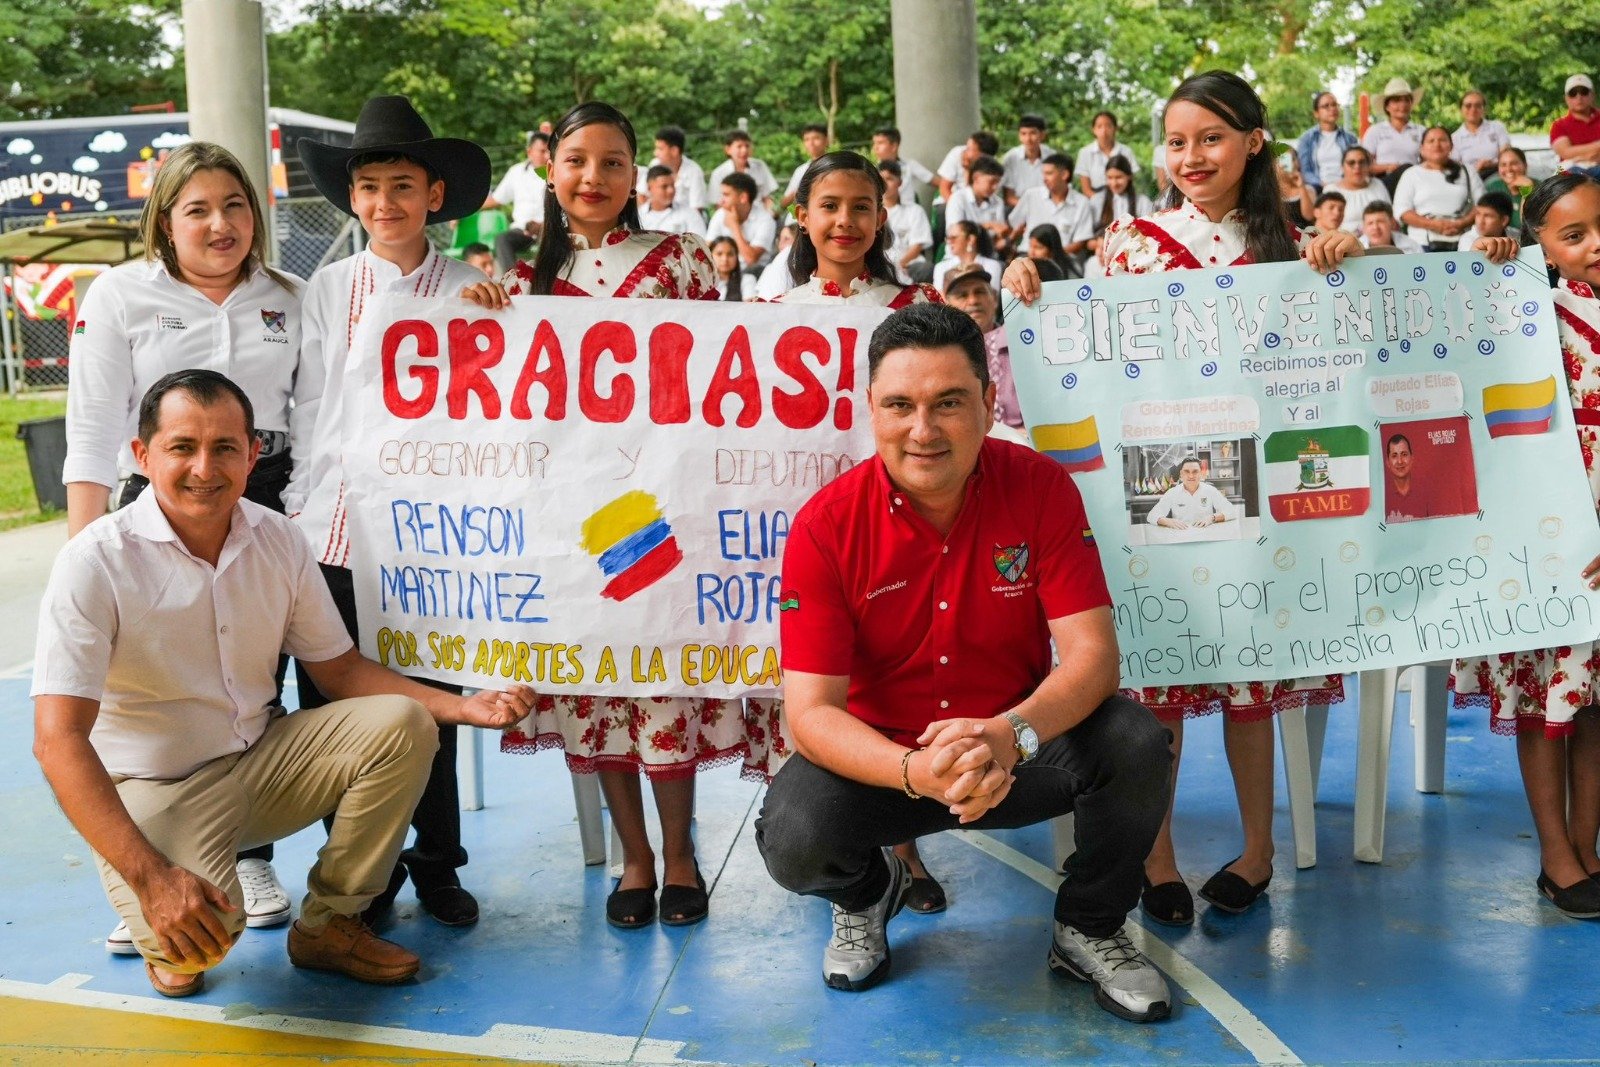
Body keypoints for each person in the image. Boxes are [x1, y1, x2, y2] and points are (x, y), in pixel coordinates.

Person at [32, 369, 533, 997]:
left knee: (404, 724)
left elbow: (340, 671)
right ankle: (158, 901)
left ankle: (329, 925)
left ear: (253, 455)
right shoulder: (95, 560)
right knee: (199, 948)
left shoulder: (279, 537)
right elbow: (57, 740)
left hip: (261, 761)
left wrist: (465, 707)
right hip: (155, 786)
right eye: (182, 447)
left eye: (224, 447)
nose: (204, 468)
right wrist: (152, 878)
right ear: (142, 454)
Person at [1006, 70, 1362, 928]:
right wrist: (1027, 280)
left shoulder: (1291, 247)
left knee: (1249, 681)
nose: (1192, 156)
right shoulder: (1130, 243)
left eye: (1211, 138)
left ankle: (1257, 851)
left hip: (1262, 493)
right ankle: (1156, 857)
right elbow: (1083, 343)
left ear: (1253, 142)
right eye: (1176, 141)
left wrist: (1349, 258)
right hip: (1158, 482)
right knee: (1159, 680)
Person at [755, 301, 1172, 1021]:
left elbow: (1094, 656)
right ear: (872, 409)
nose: (923, 429)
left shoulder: (1040, 486)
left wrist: (1009, 734)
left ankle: (1090, 926)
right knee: (792, 835)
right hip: (888, 765)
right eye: (900, 405)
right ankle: (868, 893)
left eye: (948, 403)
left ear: (987, 400)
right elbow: (811, 713)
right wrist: (915, 770)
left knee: (1136, 742)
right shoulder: (825, 526)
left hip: (1018, 749)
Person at [461, 102, 743, 930]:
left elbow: (725, 374)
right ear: (549, 169)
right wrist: (477, 318)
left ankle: (681, 853)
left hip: (664, 509)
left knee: (661, 680)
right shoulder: (522, 285)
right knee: (595, 687)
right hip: (569, 524)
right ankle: (636, 857)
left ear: (637, 174)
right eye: (577, 160)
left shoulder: (682, 261)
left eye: (612, 161)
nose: (593, 177)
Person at [62, 139, 310, 949]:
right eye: (197, 209)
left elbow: (316, 412)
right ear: (164, 222)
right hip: (160, 495)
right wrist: (83, 547)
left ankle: (250, 855)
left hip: (267, 490)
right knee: (151, 688)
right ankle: (140, 869)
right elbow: (92, 426)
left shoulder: (290, 296)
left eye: (235, 205)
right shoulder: (121, 294)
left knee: (252, 683)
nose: (220, 223)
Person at [293, 95, 494, 927]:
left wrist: (504, 323)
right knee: (332, 709)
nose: (385, 202)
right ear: (353, 197)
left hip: (428, 540)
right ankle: (358, 874)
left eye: (403, 186)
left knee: (430, 701)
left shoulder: (474, 290)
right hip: (334, 530)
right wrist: (302, 511)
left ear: (435, 195)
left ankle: (437, 861)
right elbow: (311, 405)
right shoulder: (328, 288)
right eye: (370, 187)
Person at [1452, 171, 1600, 918]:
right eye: (1573, 235)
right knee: (1546, 700)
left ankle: (1586, 844)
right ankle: (1555, 852)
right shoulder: (1524, 305)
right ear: (1538, 243)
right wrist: (1490, 263)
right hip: (1549, 541)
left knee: (1595, 703)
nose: (1595, 245)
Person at [942, 263, 1019, 431]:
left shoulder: (1021, 342)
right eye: (962, 295)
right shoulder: (939, 356)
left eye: (980, 292)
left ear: (995, 298)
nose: (973, 300)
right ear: (946, 304)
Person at [1393, 126, 1484, 251]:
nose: (1437, 144)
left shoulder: (1467, 171)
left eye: (1442, 140)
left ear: (1451, 146)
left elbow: (1482, 204)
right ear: (1422, 148)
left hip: (1463, 243)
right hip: (1421, 245)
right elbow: (1401, 211)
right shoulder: (1412, 174)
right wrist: (1434, 225)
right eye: (1431, 141)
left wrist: (1461, 223)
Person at [1007, 152, 1093, 273]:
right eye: (1043, 173)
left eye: (1049, 173)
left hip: (1063, 259)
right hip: (1028, 255)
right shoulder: (1031, 195)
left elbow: (1080, 241)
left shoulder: (1082, 202)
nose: (1044, 178)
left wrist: (1054, 254)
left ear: (1064, 175)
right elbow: (1015, 224)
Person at [483, 130, 549, 272]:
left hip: (548, 228)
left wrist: (543, 226)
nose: (547, 156)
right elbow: (496, 199)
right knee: (502, 239)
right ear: (529, 152)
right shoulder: (516, 172)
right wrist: (463, 211)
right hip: (522, 230)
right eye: (542, 151)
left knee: (551, 237)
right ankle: (513, 279)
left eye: (549, 151)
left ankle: (547, 280)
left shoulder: (558, 173)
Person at [1362, 77, 1424, 194]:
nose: (1403, 104)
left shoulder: (1420, 131)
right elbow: (1363, 165)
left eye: (1406, 100)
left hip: (1414, 181)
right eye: (1397, 101)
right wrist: (1388, 167)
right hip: (1385, 180)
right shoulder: (1376, 131)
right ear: (1387, 106)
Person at [1086, 155, 1153, 259]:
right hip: (1102, 256)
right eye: (1110, 178)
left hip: (1134, 255)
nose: (1114, 183)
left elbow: (1149, 236)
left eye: (1118, 177)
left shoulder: (1143, 202)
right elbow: (1087, 242)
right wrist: (1100, 244)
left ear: (1129, 176)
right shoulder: (1097, 201)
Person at [879, 160, 934, 284]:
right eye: (881, 179)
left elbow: (917, 245)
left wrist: (899, 264)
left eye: (889, 179)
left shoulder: (915, 211)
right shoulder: (872, 213)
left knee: (926, 269)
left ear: (900, 182)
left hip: (908, 265)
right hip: (881, 265)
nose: (885, 184)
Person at [707, 172, 777, 269]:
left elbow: (751, 259)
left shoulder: (766, 220)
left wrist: (734, 226)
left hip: (755, 272)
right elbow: (708, 251)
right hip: (722, 271)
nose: (721, 201)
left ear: (743, 197)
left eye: (726, 195)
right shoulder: (720, 214)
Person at [944, 154, 1010, 257]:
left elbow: (998, 233)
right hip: (959, 256)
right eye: (992, 182)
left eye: (997, 182)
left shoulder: (998, 202)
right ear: (976, 178)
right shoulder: (958, 199)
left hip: (988, 255)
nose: (995, 187)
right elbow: (956, 232)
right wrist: (989, 225)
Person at [635, 125, 708, 214]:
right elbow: (641, 194)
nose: (655, 153)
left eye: (660, 149)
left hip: (685, 219)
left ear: (674, 150)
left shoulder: (694, 171)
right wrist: (650, 217)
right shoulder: (655, 164)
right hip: (656, 217)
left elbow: (697, 208)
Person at [1295, 92, 1358, 192]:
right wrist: (1322, 184)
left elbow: (1356, 166)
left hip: (1346, 187)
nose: (1332, 108)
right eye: (1326, 106)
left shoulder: (1350, 138)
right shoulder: (1307, 139)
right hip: (1318, 188)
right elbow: (1305, 171)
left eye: (1334, 104)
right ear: (1316, 113)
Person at [1147, 457, 1231, 530]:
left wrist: (1212, 518)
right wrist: (1168, 521)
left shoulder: (1210, 490)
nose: (1191, 476)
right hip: (1181, 534)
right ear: (1181, 474)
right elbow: (1152, 516)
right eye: (1187, 471)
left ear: (1200, 473)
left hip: (1205, 534)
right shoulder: (1172, 493)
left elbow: (1231, 511)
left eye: (1195, 471)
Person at [707, 129, 779, 211]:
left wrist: (771, 213)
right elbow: (718, 205)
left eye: (747, 146)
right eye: (739, 146)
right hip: (731, 214)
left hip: (759, 213)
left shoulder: (760, 166)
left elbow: (767, 198)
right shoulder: (718, 173)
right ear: (728, 150)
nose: (744, 150)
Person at [1075, 111, 1140, 198]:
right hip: (1095, 200)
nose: (1104, 131)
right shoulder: (1085, 153)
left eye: (1108, 126)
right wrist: (1102, 203)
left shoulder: (1126, 151)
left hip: (1123, 199)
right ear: (1093, 130)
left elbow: (1131, 182)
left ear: (1115, 129)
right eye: (1099, 126)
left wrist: (1119, 202)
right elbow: (1086, 190)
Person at [1329, 145, 1391, 234]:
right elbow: (1326, 226)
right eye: (1351, 163)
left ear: (1368, 166)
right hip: (1343, 240)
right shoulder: (1331, 190)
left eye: (1362, 162)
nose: (1357, 166)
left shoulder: (1377, 184)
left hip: (1378, 238)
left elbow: (1389, 216)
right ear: (1342, 167)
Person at [1452, 91, 1511, 180]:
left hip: (1500, 177)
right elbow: (1456, 168)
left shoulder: (1497, 127)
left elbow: (1507, 155)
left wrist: (1492, 164)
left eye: (1478, 105)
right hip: (1471, 180)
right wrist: (1475, 169)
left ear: (1484, 109)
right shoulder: (1455, 138)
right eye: (1468, 106)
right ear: (1461, 109)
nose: (1473, 109)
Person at [871, 126, 935, 205]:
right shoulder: (872, 170)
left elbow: (941, 182)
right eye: (874, 143)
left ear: (894, 146)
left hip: (909, 211)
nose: (875, 147)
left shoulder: (909, 165)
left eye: (880, 143)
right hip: (884, 211)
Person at [932, 220, 1002, 293]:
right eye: (948, 238)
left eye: (953, 237)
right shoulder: (941, 267)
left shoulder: (992, 265)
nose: (949, 242)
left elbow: (993, 295)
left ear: (970, 239)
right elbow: (939, 297)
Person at [639, 164, 708, 237]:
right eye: (664, 186)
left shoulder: (690, 214)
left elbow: (700, 241)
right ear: (649, 188)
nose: (671, 190)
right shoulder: (639, 216)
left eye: (672, 185)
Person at [1552, 75, 1600, 178]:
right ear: (1566, 98)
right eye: (1573, 93)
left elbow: (1570, 153)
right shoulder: (1559, 125)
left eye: (1584, 92)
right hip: (1572, 175)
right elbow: (1566, 152)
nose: (1579, 97)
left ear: (1592, 95)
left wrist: (1579, 154)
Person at [1001, 114, 1054, 206]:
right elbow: (1009, 198)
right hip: (1018, 207)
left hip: (1048, 206)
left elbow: (1058, 192)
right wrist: (1032, 207)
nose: (1028, 139)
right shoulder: (1010, 158)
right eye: (1023, 134)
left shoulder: (1052, 157)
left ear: (1042, 135)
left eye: (1033, 133)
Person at [935, 130, 1000, 203]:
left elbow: (983, 193)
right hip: (950, 200)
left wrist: (968, 170)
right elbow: (944, 188)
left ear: (982, 155)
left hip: (976, 204)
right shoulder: (957, 153)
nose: (965, 150)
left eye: (969, 149)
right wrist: (957, 206)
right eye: (967, 146)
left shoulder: (991, 165)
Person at [1485, 146, 1537, 231]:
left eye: (1514, 164)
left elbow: (1528, 227)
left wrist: (1527, 190)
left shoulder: (1541, 187)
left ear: (1525, 165)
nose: (1508, 169)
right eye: (1503, 165)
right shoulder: (1492, 187)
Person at [780, 123, 829, 211]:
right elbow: (784, 202)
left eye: (816, 138)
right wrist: (800, 191)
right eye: (807, 139)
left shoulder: (836, 167)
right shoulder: (800, 170)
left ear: (826, 140)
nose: (811, 143)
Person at [755, 220, 799, 299]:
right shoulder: (770, 267)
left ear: (798, 240)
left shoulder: (790, 252)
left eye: (786, 239)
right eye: (780, 239)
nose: (780, 245)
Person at [1359, 201, 1424, 253]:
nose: (1375, 227)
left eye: (1380, 221)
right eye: (1370, 223)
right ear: (1364, 227)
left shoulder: (1411, 246)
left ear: (1392, 223)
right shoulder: (1356, 249)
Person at [708, 235, 754, 300]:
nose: (725, 259)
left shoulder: (747, 280)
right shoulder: (702, 282)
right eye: (719, 254)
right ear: (710, 256)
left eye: (730, 254)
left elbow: (750, 303)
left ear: (737, 257)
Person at [1277, 148, 1315, 227]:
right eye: (1284, 160)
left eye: (1293, 159)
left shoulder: (1308, 189)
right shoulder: (1271, 191)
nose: (1291, 164)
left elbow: (1309, 216)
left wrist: (1301, 186)